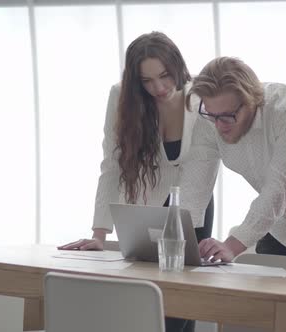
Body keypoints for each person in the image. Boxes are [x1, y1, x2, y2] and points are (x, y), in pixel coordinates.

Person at [59, 31, 213, 332]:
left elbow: (209, 160)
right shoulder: (122, 96)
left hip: (194, 201)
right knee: (149, 302)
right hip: (148, 201)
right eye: (147, 81)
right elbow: (111, 164)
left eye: (165, 75)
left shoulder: (201, 94)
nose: (158, 87)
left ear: (177, 65)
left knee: (183, 299)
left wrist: (188, 233)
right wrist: (100, 232)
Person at [178, 57, 286, 263]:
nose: (219, 125)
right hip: (281, 230)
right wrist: (178, 244)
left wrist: (231, 246)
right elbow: (194, 186)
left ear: (251, 101)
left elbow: (279, 189)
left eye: (228, 116)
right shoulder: (210, 118)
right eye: (212, 115)